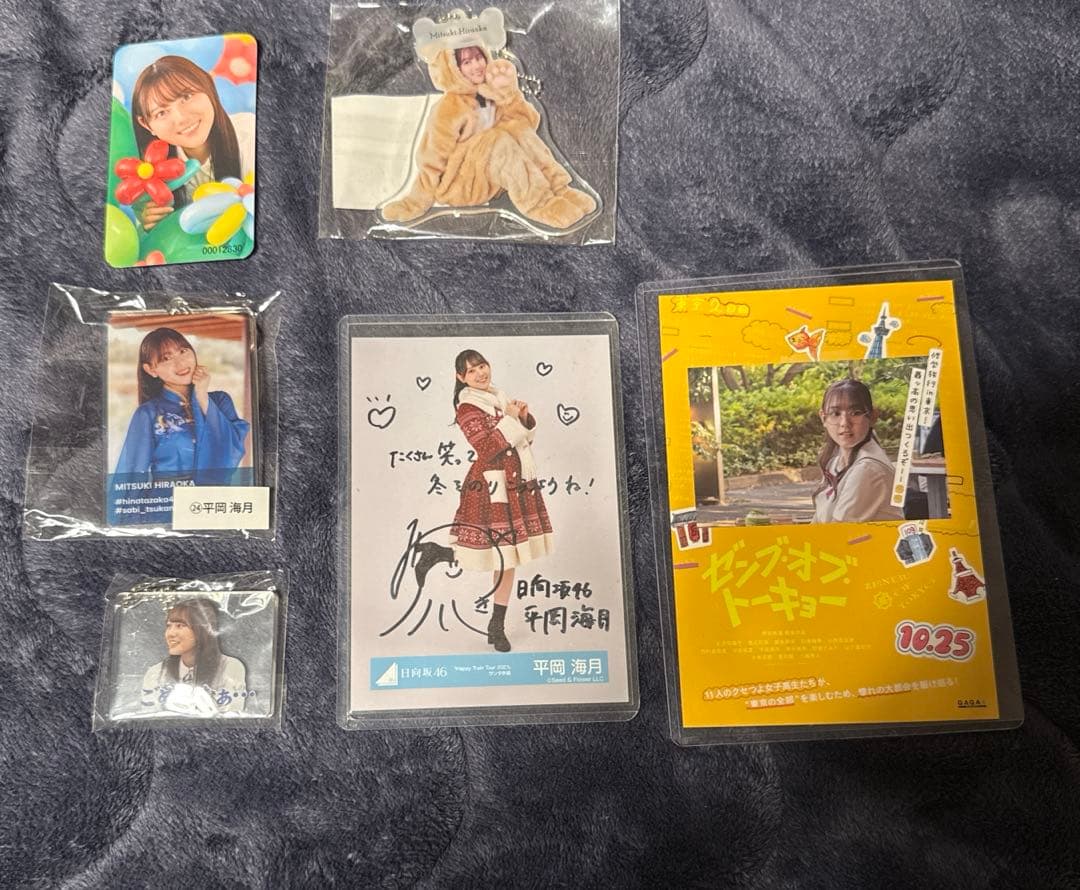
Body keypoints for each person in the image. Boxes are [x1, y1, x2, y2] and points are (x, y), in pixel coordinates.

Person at [413, 350, 554, 652]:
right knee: (498, 553)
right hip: (490, 487)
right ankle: (440, 557)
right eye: (471, 370)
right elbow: (488, 448)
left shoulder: (498, 399)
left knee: (508, 557)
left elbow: (520, 441)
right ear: (460, 377)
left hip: (514, 482)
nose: (480, 373)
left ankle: (495, 625)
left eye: (482, 365)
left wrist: (523, 418)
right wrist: (512, 419)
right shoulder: (467, 408)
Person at [380, 43, 595, 230]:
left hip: (492, 180)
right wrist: (415, 202)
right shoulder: (448, 108)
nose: (477, 65)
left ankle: (560, 190)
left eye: (479, 57)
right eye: (466, 62)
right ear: (453, 70)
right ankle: (540, 205)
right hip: (459, 186)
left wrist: (509, 94)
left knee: (517, 130)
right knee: (496, 139)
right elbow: (432, 159)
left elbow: (527, 124)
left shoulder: (488, 94)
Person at [129, 55, 255, 230]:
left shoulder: (250, 133)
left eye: (186, 96)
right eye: (161, 113)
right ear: (146, 124)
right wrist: (151, 224)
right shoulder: (146, 174)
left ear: (209, 85)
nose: (181, 118)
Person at [113, 327, 250, 484]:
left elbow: (233, 449)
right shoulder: (148, 413)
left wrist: (202, 397)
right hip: (167, 497)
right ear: (151, 370)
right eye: (166, 358)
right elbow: (131, 475)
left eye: (183, 351)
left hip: (212, 497)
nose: (180, 362)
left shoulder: (220, 401)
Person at [811, 378, 904, 523]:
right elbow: (817, 524)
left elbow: (838, 531)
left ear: (872, 417)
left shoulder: (869, 469)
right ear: (824, 418)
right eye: (835, 413)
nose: (844, 423)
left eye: (855, 412)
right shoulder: (835, 464)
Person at [141, 598, 248, 716]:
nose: (170, 633)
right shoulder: (156, 673)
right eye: (169, 626)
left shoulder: (231, 667)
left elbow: (232, 718)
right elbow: (147, 718)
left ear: (202, 630)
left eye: (180, 626)